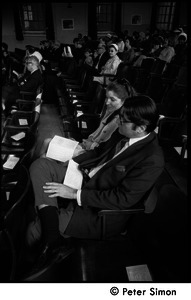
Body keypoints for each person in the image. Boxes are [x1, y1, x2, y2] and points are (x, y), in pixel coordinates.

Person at [28, 94, 164, 270]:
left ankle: (40, 261)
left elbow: (122, 199)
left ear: (141, 128)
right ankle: (53, 237)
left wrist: (74, 194)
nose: (118, 121)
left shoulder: (152, 159)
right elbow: (99, 152)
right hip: (84, 179)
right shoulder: (123, 131)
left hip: (99, 211)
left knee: (34, 231)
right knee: (40, 165)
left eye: (123, 120)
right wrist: (73, 162)